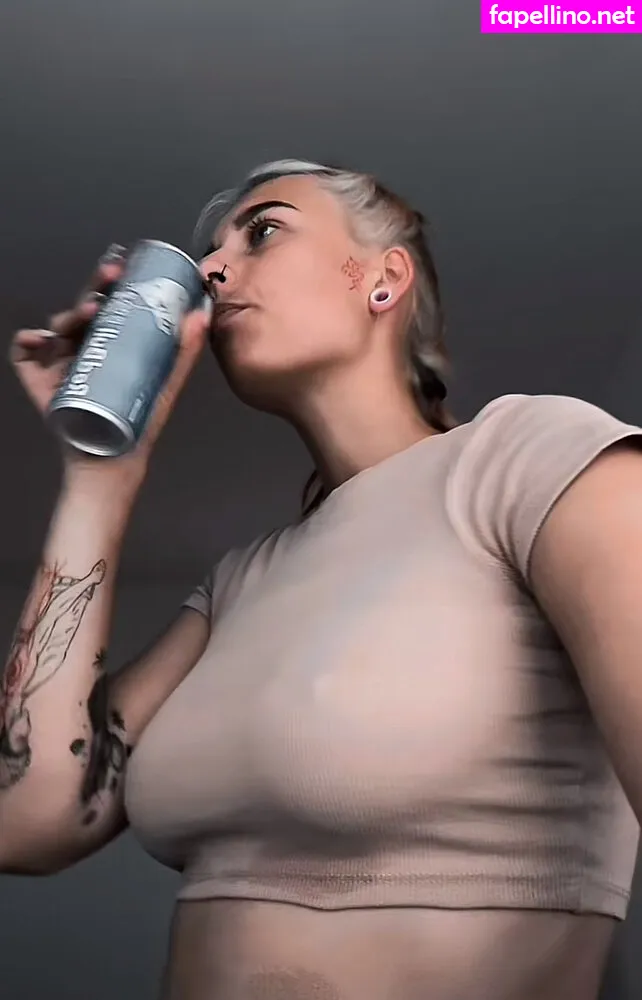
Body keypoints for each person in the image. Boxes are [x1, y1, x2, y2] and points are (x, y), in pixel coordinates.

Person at [1, 158, 642, 1000]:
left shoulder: (529, 459)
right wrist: (99, 476)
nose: (212, 267)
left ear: (383, 278)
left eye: (262, 231)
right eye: (211, 249)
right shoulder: (238, 585)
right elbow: (25, 820)